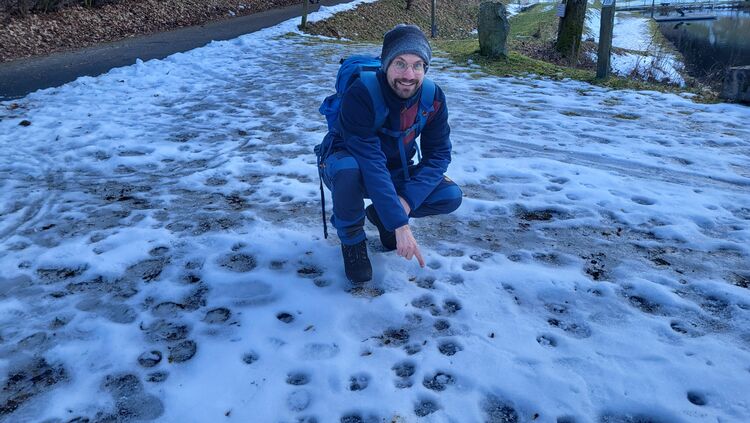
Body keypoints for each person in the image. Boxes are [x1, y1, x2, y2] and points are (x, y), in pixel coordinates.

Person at [322, 24, 462, 283]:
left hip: (395, 169)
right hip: (351, 169)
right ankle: (352, 240)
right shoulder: (361, 93)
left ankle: (380, 214)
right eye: (400, 63)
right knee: (348, 169)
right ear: (386, 64)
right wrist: (400, 223)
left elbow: (439, 155)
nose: (409, 74)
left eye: (417, 65)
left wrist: (405, 202)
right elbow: (370, 162)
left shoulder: (432, 97)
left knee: (450, 195)